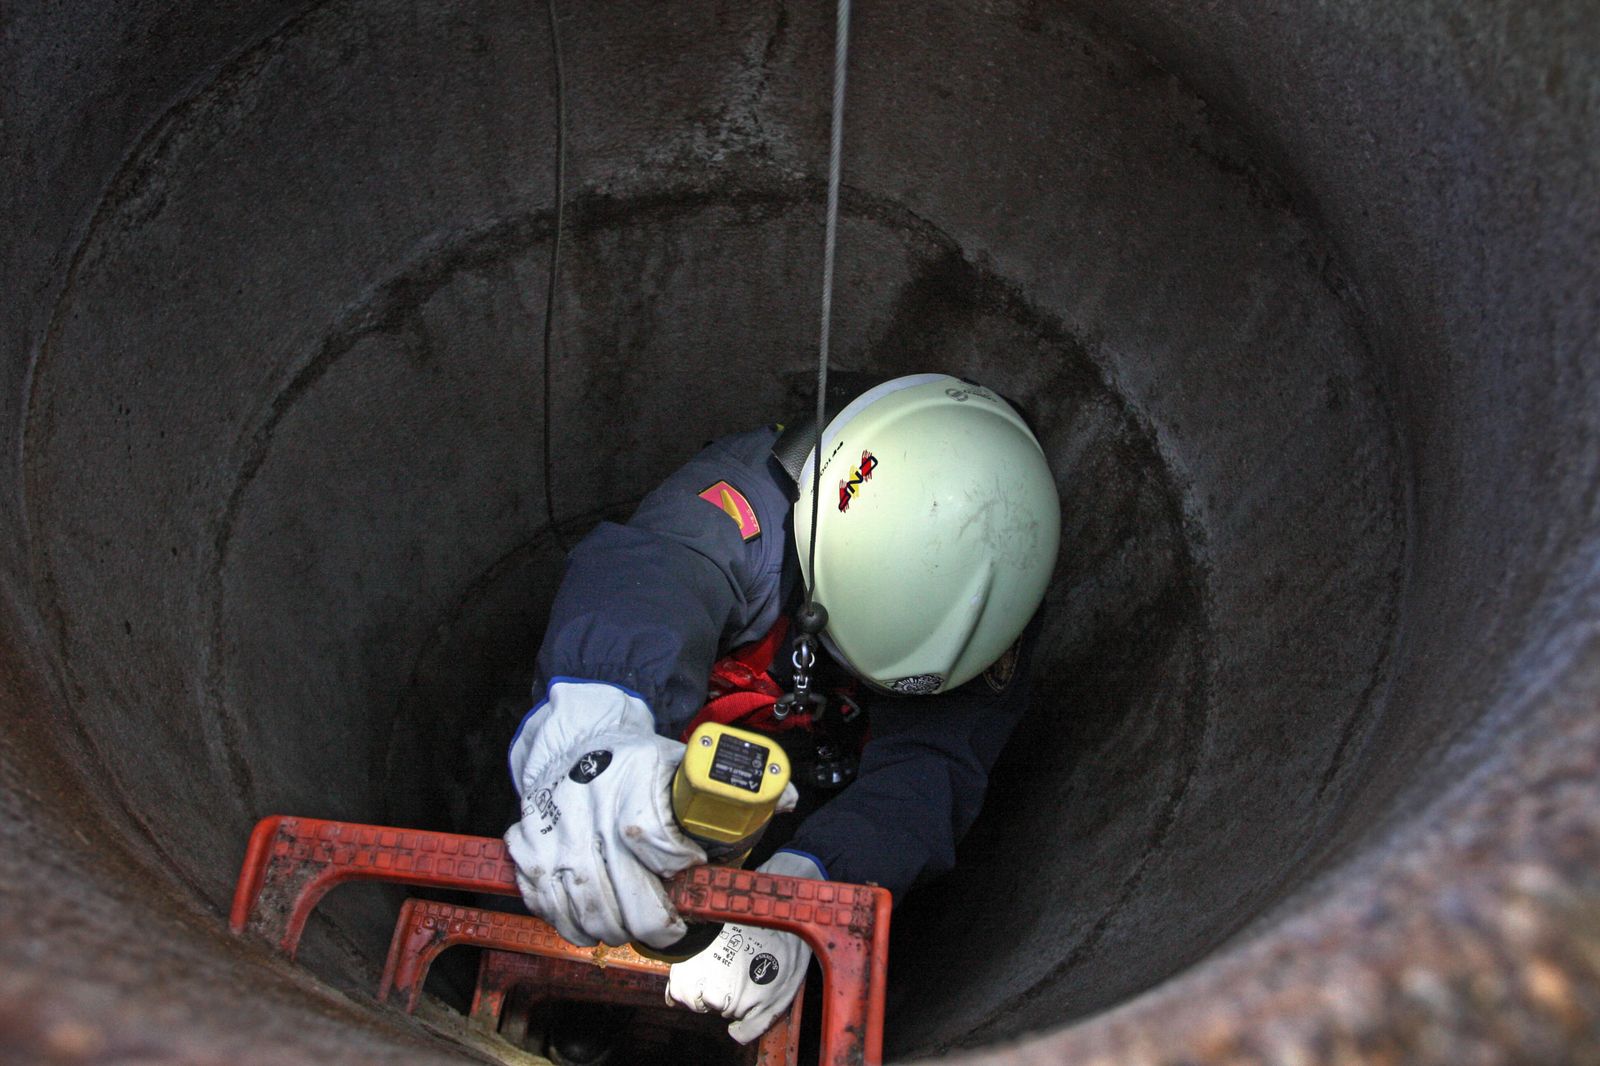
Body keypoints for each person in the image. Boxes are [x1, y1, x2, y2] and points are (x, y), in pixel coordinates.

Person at [504, 372, 1060, 1045]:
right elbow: (657, 574)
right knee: (604, 858)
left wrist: (820, 881)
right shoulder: (752, 500)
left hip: (818, 796)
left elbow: (932, 766)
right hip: (668, 753)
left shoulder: (987, 607)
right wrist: (597, 719)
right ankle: (584, 1012)